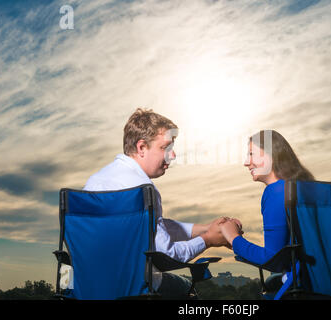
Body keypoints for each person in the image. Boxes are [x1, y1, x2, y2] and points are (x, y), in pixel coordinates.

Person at [83, 108, 234, 299]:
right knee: (187, 289)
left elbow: (153, 227)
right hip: (133, 289)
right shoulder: (143, 189)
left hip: (88, 286)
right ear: (141, 147)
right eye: (166, 148)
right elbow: (167, 256)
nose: (173, 155)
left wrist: (205, 228)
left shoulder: (94, 182)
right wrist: (209, 240)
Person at [220, 130, 314, 295]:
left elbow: (273, 260)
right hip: (326, 282)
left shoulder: (276, 192)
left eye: (251, 154)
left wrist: (234, 238)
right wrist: (239, 245)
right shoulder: (307, 188)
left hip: (301, 286)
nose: (246, 162)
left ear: (271, 155)